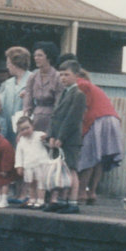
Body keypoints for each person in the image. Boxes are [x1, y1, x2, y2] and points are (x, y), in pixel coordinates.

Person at [71, 67, 124, 204]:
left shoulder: (80, 84)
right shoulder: (95, 88)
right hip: (112, 120)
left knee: (89, 157)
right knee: (99, 159)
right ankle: (92, 192)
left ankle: (81, 193)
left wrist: (80, 132)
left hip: (98, 120)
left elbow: (83, 110)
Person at [45, 59, 86, 214]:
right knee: (61, 170)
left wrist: (61, 137)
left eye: (66, 74)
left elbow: (72, 119)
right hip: (58, 139)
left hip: (70, 140)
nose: (63, 78)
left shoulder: (78, 95)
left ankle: (73, 202)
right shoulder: (63, 93)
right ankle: (61, 201)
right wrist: (51, 135)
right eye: (61, 75)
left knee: (71, 170)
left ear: (76, 75)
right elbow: (55, 116)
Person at [23, 41, 63, 134]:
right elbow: (28, 97)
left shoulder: (57, 77)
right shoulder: (33, 76)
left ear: (48, 57)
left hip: (51, 118)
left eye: (40, 55)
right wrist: (26, 115)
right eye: (35, 56)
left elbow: (59, 101)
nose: (36, 58)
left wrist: (55, 123)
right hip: (35, 117)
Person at [13, 116, 50, 209]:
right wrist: (19, 166)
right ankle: (32, 198)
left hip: (41, 164)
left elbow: (48, 144)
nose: (25, 131)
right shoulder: (21, 140)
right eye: (22, 129)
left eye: (27, 128)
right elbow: (19, 154)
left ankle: (41, 200)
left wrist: (46, 138)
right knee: (31, 183)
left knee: (41, 183)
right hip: (28, 165)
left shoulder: (39, 135)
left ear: (32, 126)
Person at [0, 46, 33, 125]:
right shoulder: (6, 84)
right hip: (6, 129)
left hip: (25, 129)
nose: (7, 67)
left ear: (16, 63)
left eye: (8, 63)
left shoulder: (34, 80)